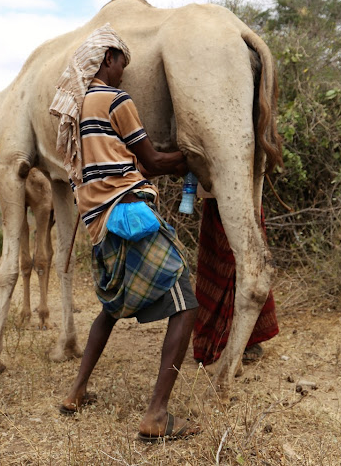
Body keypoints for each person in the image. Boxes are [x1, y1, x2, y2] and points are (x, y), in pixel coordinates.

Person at [50, 24, 201, 442]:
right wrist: (186, 160)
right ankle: (156, 414)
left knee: (111, 307)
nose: (124, 72)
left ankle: (76, 392)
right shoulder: (116, 100)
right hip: (129, 214)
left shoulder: (79, 107)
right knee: (186, 305)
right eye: (122, 62)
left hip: (98, 222)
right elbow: (150, 160)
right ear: (106, 60)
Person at [191, 190, 279, 367]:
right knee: (226, 258)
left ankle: (243, 340)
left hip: (245, 198)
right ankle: (220, 339)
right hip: (222, 196)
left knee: (245, 259)